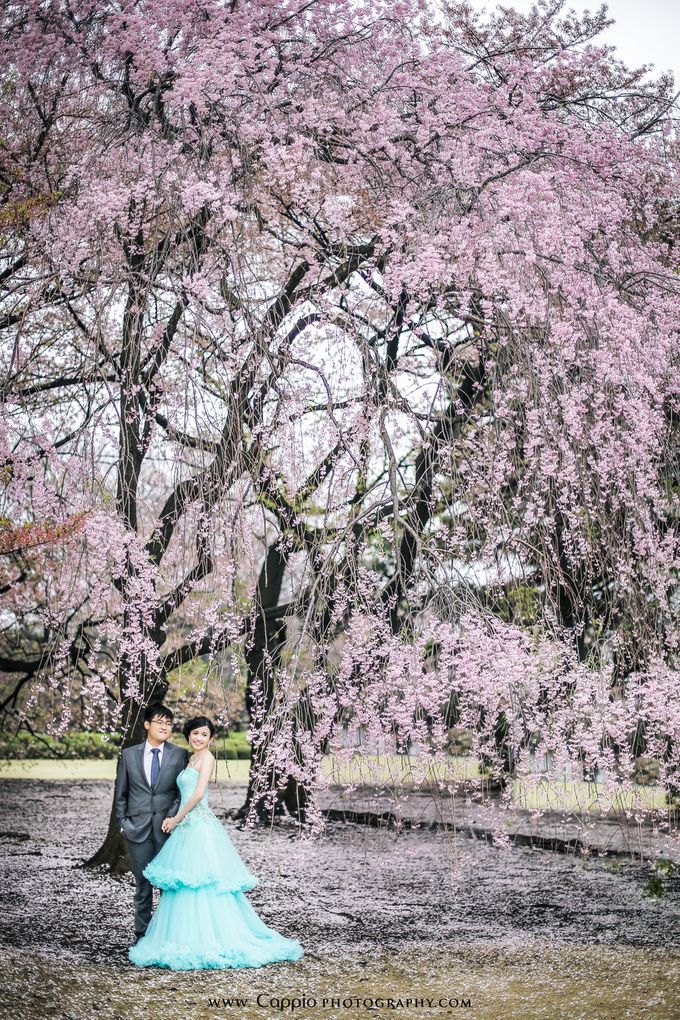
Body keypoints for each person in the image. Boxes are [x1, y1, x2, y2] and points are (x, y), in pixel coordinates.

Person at [128, 714, 304, 970]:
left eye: (204, 735)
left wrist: (175, 819)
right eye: (195, 733)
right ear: (189, 734)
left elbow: (198, 794)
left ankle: (210, 938)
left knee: (203, 881)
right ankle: (183, 936)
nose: (198, 738)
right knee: (185, 881)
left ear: (211, 739)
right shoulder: (192, 758)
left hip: (198, 826)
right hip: (187, 826)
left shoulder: (207, 758)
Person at [114, 703, 187, 942]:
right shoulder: (129, 754)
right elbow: (121, 792)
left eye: (168, 723)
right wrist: (123, 822)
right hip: (137, 828)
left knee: (167, 884)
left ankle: (166, 934)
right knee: (142, 885)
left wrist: (172, 817)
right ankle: (141, 934)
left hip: (166, 829)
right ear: (147, 725)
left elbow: (180, 792)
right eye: (160, 722)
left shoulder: (178, 754)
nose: (165, 727)